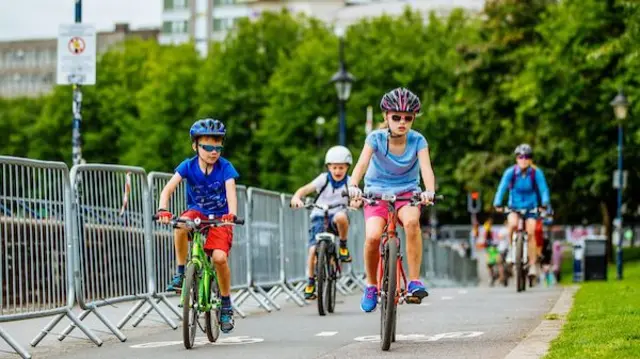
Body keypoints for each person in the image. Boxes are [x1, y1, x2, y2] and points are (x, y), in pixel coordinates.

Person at [347, 87, 436, 312]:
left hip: (407, 193)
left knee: (412, 223)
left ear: (413, 118)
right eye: (396, 117)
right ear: (386, 117)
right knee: (373, 237)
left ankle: (414, 281)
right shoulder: (375, 138)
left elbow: (426, 168)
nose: (402, 122)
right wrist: (353, 185)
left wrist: (429, 191)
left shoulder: (418, 141)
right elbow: (362, 164)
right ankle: (371, 285)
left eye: (408, 118)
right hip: (376, 192)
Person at [155, 118, 239, 333]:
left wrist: (232, 215)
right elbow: (167, 190)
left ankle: (226, 303)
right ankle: (182, 271)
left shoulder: (226, 168)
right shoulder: (187, 166)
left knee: (219, 258)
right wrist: (163, 209)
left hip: (220, 218)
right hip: (198, 213)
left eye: (218, 147)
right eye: (208, 147)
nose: (214, 152)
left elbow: (231, 192)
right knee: (181, 224)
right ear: (195, 146)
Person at [290, 145, 354, 300]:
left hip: (337, 215)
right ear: (328, 167)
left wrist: (356, 202)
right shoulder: (323, 179)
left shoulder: (350, 182)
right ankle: (311, 282)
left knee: (341, 217)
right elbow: (304, 190)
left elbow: (356, 196)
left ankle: (343, 246)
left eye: (341, 168)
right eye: (334, 167)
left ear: (347, 167)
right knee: (312, 250)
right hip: (319, 215)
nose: (338, 171)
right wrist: (296, 198)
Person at [493, 143, 550, 281]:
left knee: (531, 232)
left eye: (527, 157)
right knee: (512, 224)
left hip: (531, 207)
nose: (523, 159)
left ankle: (531, 265)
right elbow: (502, 188)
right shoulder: (510, 173)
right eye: (520, 156)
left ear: (530, 159)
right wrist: (497, 203)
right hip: (515, 207)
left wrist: (544, 203)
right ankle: (513, 251)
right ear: (516, 159)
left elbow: (543, 189)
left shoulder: (536, 173)